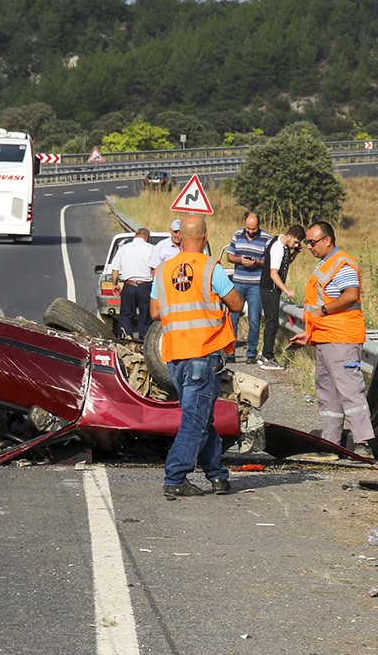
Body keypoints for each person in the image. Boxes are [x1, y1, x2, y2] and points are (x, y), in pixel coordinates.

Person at [150, 215, 244, 498]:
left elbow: (155, 312)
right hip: (202, 355)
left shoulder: (164, 270)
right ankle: (175, 476)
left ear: (180, 237)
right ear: (204, 236)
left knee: (200, 418)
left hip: (175, 357)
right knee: (194, 421)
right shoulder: (210, 268)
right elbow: (237, 303)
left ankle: (217, 475)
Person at [288, 221, 373, 459]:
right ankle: (330, 445)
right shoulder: (325, 264)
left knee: (350, 391)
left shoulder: (342, 263)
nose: (309, 247)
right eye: (306, 243)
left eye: (312, 242)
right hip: (325, 338)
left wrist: (322, 313)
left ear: (328, 240)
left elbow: (351, 295)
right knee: (328, 394)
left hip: (342, 338)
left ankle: (363, 443)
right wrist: (309, 332)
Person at [257, 224, 305, 370]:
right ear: (288, 236)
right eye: (295, 242)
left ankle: (265, 353)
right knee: (272, 323)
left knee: (271, 322)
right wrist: (286, 290)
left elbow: (285, 261)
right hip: (270, 288)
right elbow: (273, 273)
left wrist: (295, 253)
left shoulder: (283, 244)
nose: (296, 245)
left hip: (271, 288)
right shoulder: (278, 247)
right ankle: (267, 356)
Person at [225, 212, 270, 364]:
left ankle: (251, 353)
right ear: (244, 224)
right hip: (238, 282)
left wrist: (256, 262)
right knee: (233, 318)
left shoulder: (266, 238)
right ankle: (230, 352)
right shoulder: (237, 234)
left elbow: (269, 262)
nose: (250, 231)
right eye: (248, 228)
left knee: (254, 319)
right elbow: (229, 256)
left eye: (254, 229)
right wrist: (239, 260)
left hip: (255, 284)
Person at [108, 228, 156, 339]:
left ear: (136, 236)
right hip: (145, 286)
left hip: (129, 286)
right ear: (146, 237)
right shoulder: (152, 249)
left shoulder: (124, 248)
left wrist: (114, 284)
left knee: (126, 314)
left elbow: (115, 270)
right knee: (145, 315)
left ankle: (125, 337)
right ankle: (144, 339)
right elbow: (155, 270)